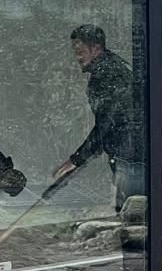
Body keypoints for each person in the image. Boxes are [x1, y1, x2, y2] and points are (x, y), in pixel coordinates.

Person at [53, 24, 145, 212]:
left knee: (132, 215)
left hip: (131, 155)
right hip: (133, 152)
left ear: (95, 49)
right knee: (133, 210)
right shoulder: (113, 67)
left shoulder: (107, 73)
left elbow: (106, 123)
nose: (77, 58)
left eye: (80, 52)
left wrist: (76, 160)